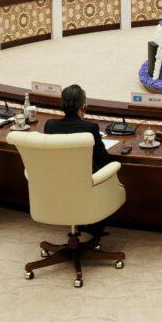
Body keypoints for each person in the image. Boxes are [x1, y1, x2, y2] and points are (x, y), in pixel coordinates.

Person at [44, 84, 111, 240]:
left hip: (55, 185)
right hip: (84, 186)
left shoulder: (50, 125)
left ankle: (80, 222)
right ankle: (94, 228)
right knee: (109, 174)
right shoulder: (90, 128)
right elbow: (105, 161)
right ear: (83, 106)